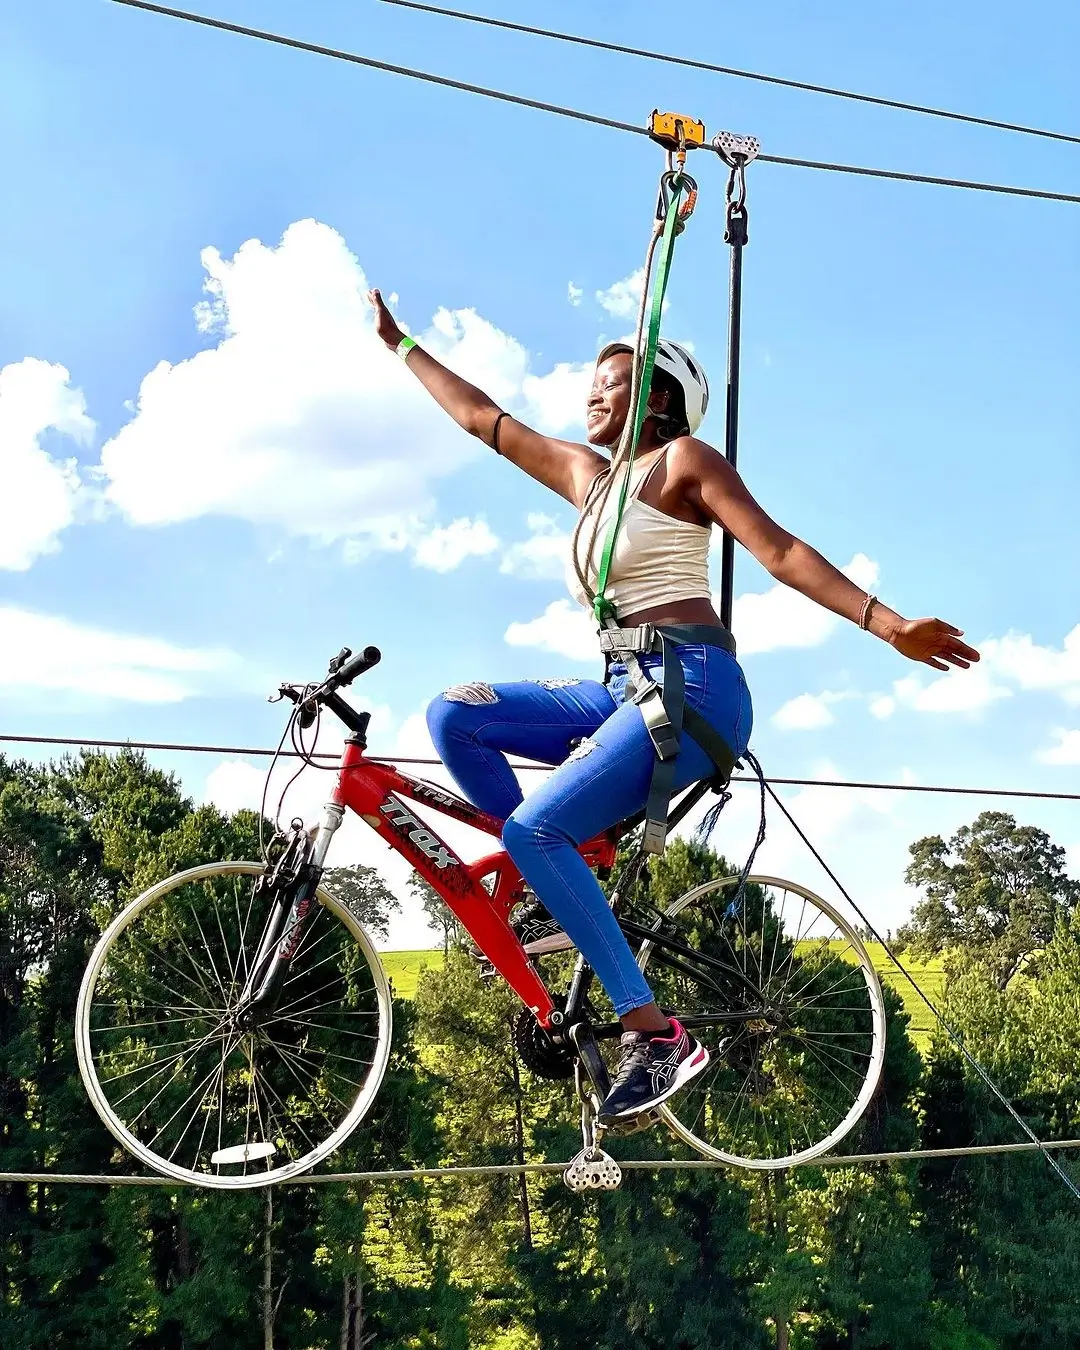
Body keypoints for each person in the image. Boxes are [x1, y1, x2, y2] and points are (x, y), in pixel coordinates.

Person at [367, 288, 980, 1126]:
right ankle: (562, 865)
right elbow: (483, 418)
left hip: (692, 688)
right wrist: (401, 346)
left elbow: (780, 549)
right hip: (617, 688)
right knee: (454, 717)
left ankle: (656, 1036)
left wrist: (888, 623)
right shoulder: (587, 479)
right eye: (590, 382)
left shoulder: (683, 462)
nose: (591, 395)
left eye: (610, 382)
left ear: (655, 396)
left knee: (528, 830)